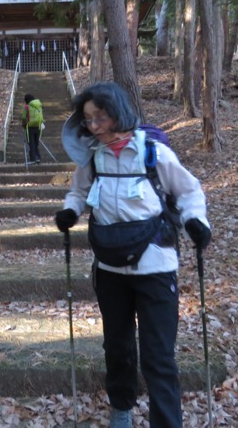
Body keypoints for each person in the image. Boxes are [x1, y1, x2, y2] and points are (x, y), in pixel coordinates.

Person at [54, 82, 211, 428]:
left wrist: (195, 223)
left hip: (155, 267)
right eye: (89, 119)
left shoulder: (154, 153)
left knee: (158, 357)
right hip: (110, 269)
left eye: (102, 117)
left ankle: (166, 422)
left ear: (119, 113)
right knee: (118, 348)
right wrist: (70, 211)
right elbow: (78, 193)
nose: (94, 126)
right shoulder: (93, 157)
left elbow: (188, 192)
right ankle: (121, 407)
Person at [21, 93, 43, 164]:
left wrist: (24, 124)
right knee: (36, 143)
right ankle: (38, 157)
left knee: (31, 143)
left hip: (29, 128)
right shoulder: (38, 105)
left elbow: (24, 117)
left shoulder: (26, 107)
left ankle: (33, 159)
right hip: (38, 127)